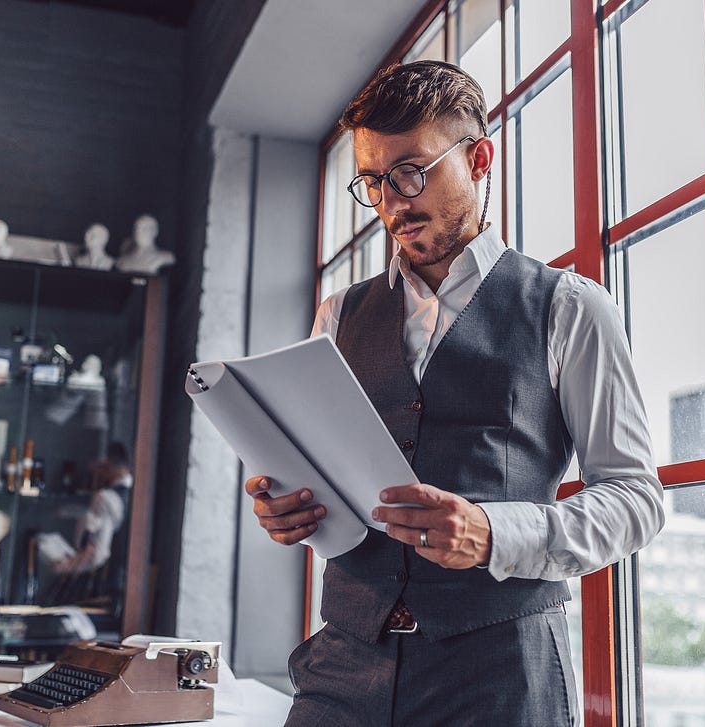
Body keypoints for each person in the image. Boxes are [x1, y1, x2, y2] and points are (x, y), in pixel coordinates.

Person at [243, 60, 664, 726]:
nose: (391, 201)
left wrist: (494, 531)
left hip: (501, 673)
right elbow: (327, 485)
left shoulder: (571, 308)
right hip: (343, 664)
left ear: (479, 157)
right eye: (374, 180)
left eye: (411, 171)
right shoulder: (337, 315)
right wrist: (290, 508)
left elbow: (636, 499)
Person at [43, 441, 132, 578]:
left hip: (105, 580)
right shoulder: (136, 495)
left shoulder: (106, 498)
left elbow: (97, 554)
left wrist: (64, 567)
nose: (94, 477)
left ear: (106, 464)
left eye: (97, 470)